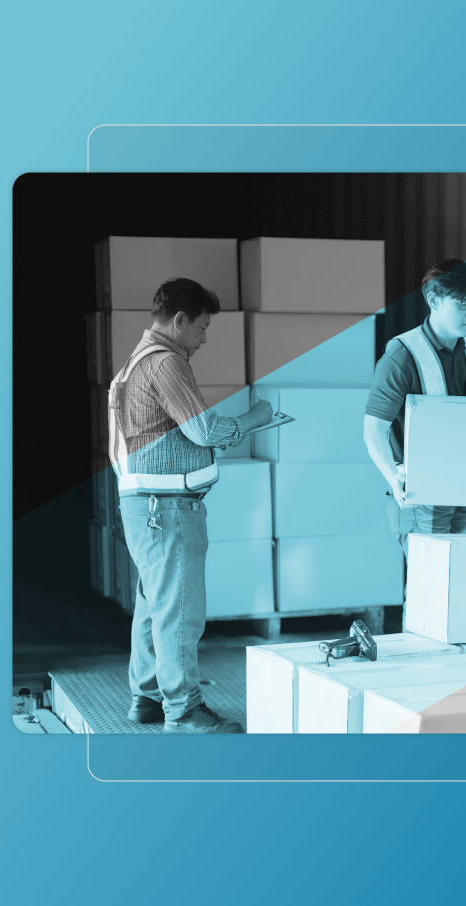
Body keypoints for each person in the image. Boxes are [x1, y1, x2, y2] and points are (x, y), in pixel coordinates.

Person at [109, 277, 273, 733]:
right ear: (179, 321)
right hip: (167, 509)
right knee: (180, 608)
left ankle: (147, 699)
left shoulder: (132, 365)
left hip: (144, 507)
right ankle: (182, 710)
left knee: (154, 605)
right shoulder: (166, 364)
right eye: (201, 328)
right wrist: (255, 419)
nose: (203, 339)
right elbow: (204, 430)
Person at [364, 259, 466, 560]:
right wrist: (392, 476)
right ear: (434, 300)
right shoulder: (402, 356)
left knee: (459, 577)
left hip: (464, 483)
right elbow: (373, 429)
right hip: (421, 493)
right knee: (429, 582)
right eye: (463, 303)